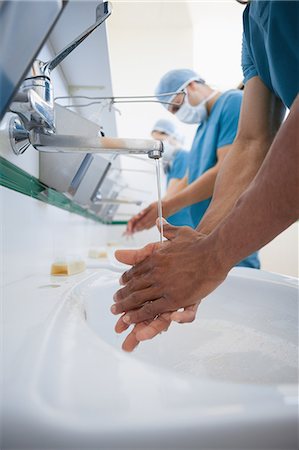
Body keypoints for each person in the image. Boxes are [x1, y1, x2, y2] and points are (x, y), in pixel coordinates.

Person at [112, 0, 299, 352]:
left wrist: (210, 257)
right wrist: (197, 246)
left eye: (176, 103)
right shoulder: (252, 26)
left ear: (193, 85)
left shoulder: (228, 102)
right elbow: (251, 145)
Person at [127, 69, 260, 269]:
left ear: (190, 85)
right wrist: (159, 207)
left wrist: (171, 205)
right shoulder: (202, 128)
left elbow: (229, 171)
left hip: (230, 236)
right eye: (171, 111)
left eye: (176, 106)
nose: (177, 114)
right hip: (207, 237)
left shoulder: (233, 102)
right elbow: (190, 177)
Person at [150, 119, 193, 227]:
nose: (157, 146)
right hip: (176, 221)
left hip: (185, 223)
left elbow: (172, 194)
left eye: (160, 141)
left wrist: (148, 213)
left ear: (173, 137)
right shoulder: (171, 163)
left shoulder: (183, 156)